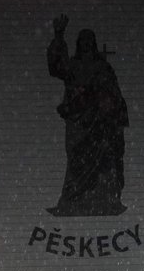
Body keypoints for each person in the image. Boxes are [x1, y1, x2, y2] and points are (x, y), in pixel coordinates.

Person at [46, 13, 129, 216]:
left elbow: (114, 95)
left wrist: (108, 109)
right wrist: (58, 35)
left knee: (103, 161)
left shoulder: (103, 67)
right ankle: (72, 201)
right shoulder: (73, 66)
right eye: (82, 41)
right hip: (79, 124)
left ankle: (105, 201)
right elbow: (56, 67)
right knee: (77, 161)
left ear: (93, 44)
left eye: (88, 41)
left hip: (100, 125)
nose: (85, 45)